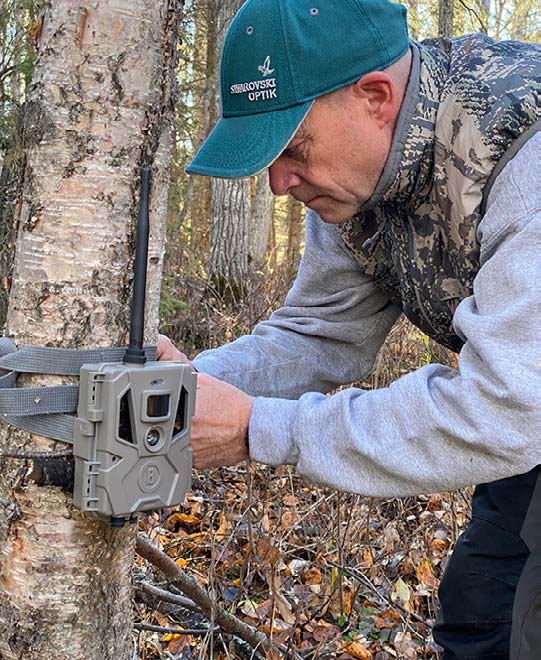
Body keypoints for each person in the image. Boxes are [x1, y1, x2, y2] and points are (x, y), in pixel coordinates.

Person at [158, 0, 541, 657]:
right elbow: (318, 334)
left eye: (294, 148)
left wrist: (257, 428)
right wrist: (185, 390)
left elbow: (507, 410)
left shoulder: (524, 161)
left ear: (373, 96)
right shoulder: (353, 186)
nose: (279, 183)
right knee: (480, 613)